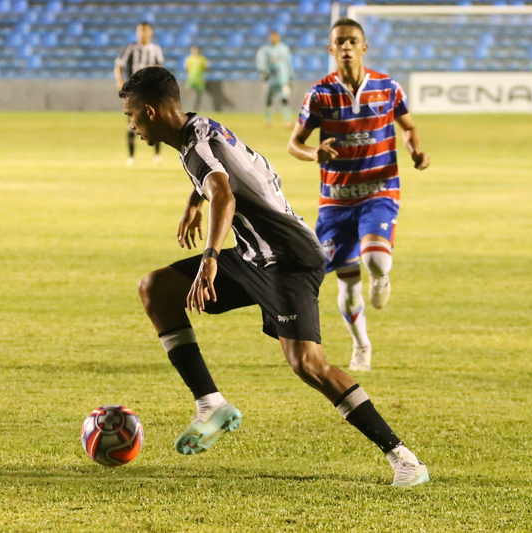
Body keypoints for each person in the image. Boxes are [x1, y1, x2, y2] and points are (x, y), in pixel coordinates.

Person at [121, 66, 429, 487]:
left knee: (308, 364)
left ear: (152, 112)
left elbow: (224, 191)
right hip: (254, 255)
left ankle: (405, 459)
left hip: (288, 257)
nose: (131, 123)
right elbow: (221, 175)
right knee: (156, 288)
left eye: (131, 115)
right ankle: (211, 404)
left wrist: (210, 256)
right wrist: (195, 202)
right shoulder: (198, 129)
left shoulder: (195, 147)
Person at [288, 19, 430, 373]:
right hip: (335, 201)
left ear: (364, 48)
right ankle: (361, 346)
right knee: (348, 286)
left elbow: (409, 127)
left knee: (376, 260)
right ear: (331, 49)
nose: (347, 47)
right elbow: (294, 143)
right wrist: (313, 154)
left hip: (378, 191)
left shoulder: (387, 87)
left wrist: (415, 151)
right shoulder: (319, 94)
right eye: (340, 42)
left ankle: (381, 277)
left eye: (353, 41)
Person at [114, 22, 165, 166]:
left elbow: (160, 70)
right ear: (137, 32)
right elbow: (119, 65)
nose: (143, 33)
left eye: (146, 31)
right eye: (141, 31)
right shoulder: (131, 48)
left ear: (150, 33)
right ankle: (131, 156)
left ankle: (157, 155)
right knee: (132, 122)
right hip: (134, 92)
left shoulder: (155, 49)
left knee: (155, 121)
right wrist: (120, 81)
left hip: (150, 90)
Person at [255, 31, 294, 128]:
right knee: (268, 100)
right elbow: (260, 61)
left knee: (285, 99)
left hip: (283, 79)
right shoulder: (265, 49)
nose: (273, 39)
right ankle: (268, 121)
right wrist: (263, 72)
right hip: (270, 79)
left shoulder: (284, 49)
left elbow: (289, 64)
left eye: (275, 37)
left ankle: (287, 120)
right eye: (272, 37)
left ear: (279, 37)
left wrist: (290, 78)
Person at [183, 46, 208, 112]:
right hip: (191, 78)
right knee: (188, 92)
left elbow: (205, 68)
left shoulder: (202, 59)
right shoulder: (189, 59)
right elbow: (186, 68)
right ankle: (185, 106)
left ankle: (196, 108)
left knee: (199, 94)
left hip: (199, 79)